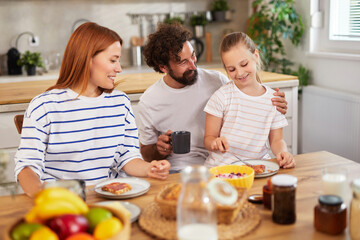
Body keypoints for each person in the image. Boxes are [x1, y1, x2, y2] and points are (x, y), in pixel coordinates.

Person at [14, 22, 170, 197]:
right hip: (63, 200)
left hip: (111, 195)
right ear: (87, 58)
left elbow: (127, 156)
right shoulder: (44, 107)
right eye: (113, 60)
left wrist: (150, 168)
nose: (119, 68)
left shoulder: (120, 102)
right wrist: (42, 195)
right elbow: (27, 167)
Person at [138, 23, 288, 172]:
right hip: (177, 168)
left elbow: (245, 91)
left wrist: (272, 101)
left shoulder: (216, 80)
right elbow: (146, 153)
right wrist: (159, 149)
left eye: (193, 55)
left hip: (221, 164)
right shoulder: (150, 101)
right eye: (183, 62)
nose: (193, 66)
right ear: (163, 67)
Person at [204, 32, 295, 169]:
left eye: (244, 64)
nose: (240, 73)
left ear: (256, 56)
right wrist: (214, 143)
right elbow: (208, 138)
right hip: (222, 169)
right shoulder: (221, 97)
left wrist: (283, 152)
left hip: (258, 168)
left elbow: (277, 140)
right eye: (232, 69)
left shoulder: (273, 99)